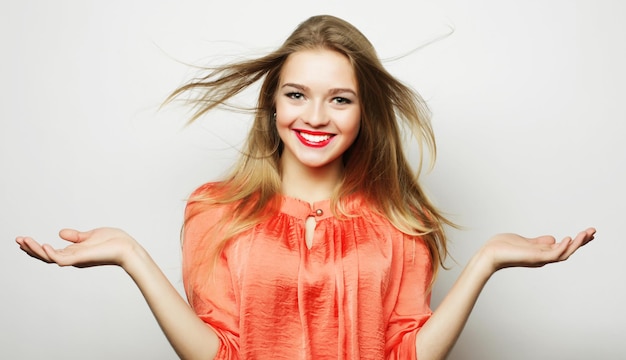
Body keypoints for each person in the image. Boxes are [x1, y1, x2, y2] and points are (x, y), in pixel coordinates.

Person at [15, 14, 595, 360]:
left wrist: (486, 261)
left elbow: (406, 353)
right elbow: (221, 354)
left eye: (339, 99)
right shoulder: (217, 210)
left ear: (364, 112)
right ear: (272, 100)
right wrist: (129, 255)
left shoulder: (401, 218)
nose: (315, 116)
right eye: (297, 94)